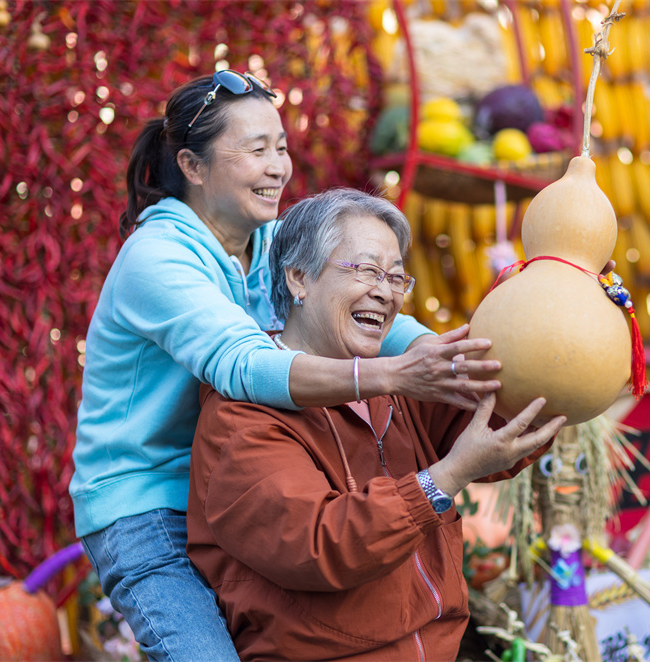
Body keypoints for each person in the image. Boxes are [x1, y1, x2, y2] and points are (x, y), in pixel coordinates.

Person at [70, 71, 502, 661]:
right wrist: (394, 376)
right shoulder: (156, 258)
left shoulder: (268, 241)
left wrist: (457, 357)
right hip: (147, 508)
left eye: (281, 148)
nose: (278, 167)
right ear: (193, 167)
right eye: (256, 151)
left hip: (226, 489)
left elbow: (372, 312)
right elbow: (245, 365)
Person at [186, 188, 567, 661]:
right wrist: (446, 477)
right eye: (366, 270)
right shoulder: (241, 415)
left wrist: (564, 346)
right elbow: (320, 544)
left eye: (395, 277)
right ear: (299, 278)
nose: (384, 291)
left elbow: (493, 420)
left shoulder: (397, 383)